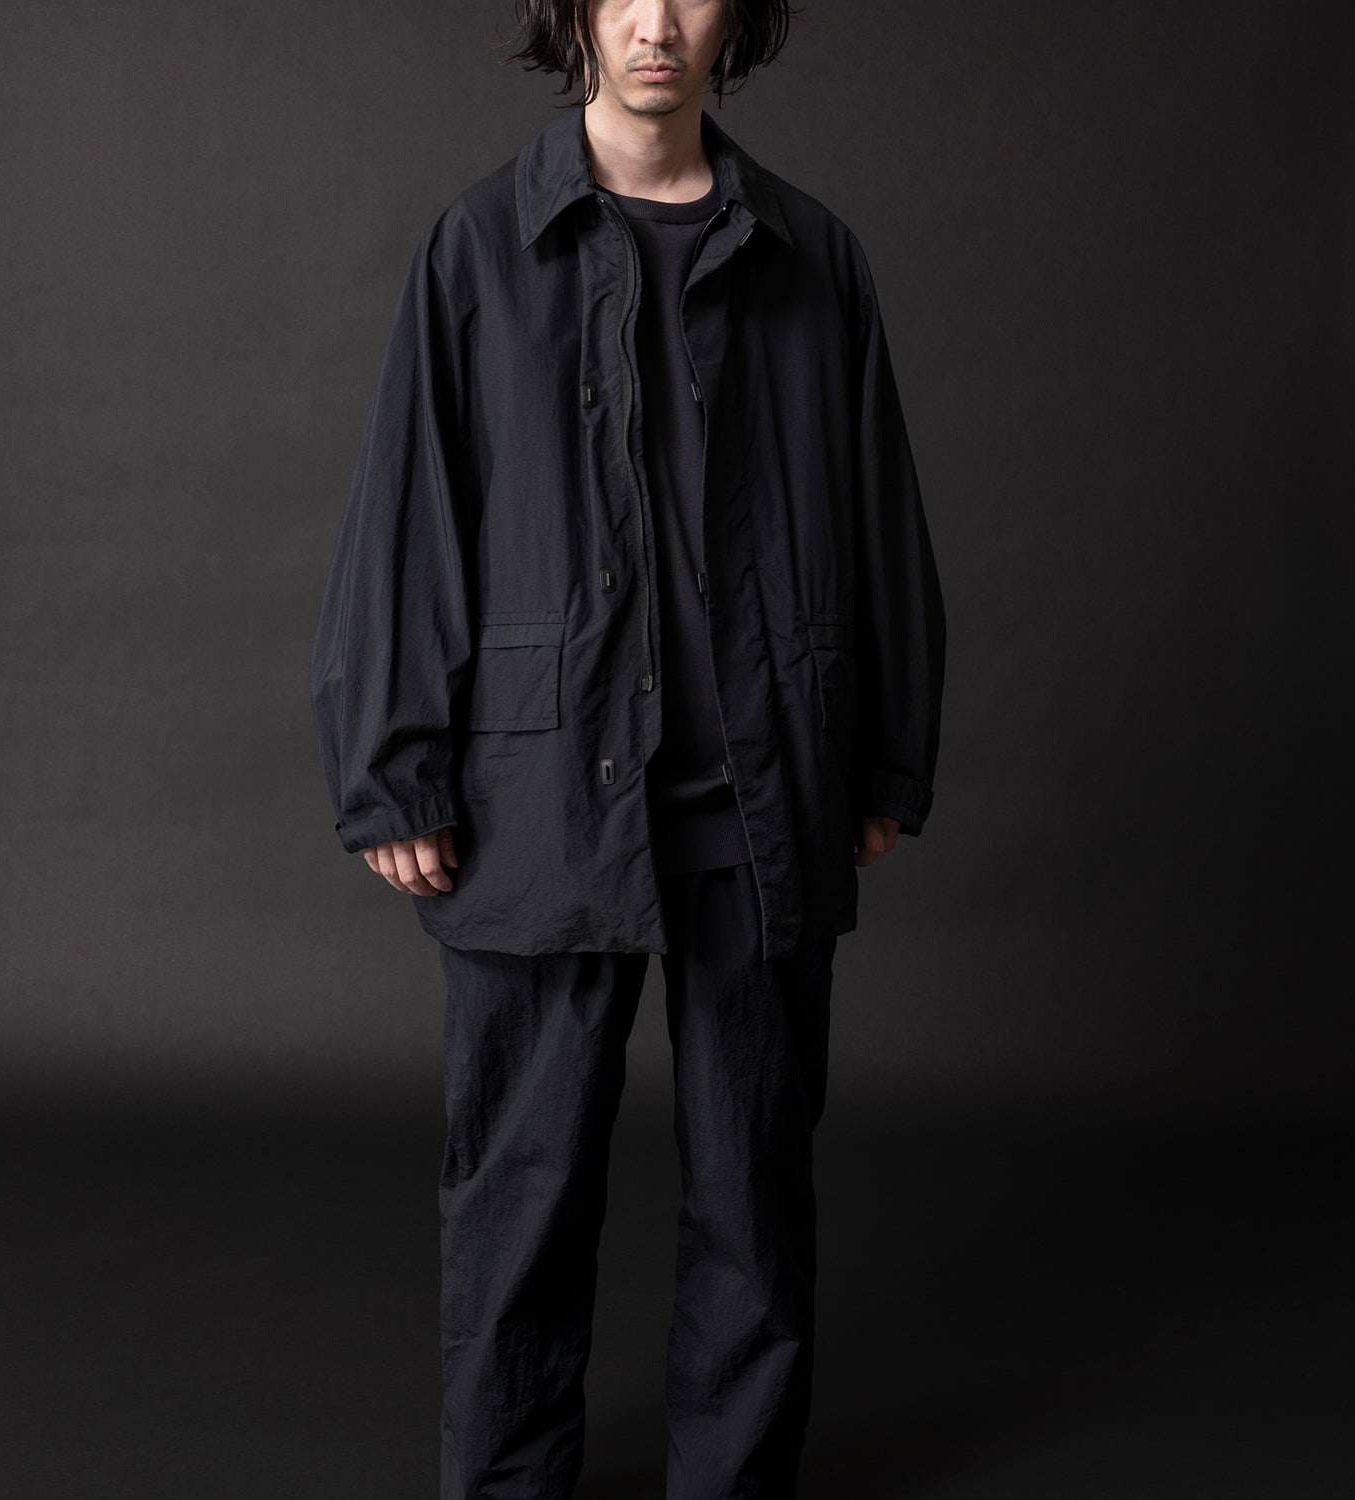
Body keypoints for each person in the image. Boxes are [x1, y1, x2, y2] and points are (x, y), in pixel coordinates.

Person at [309, 1, 946, 1494]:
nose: (656, 23)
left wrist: (882, 758)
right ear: (571, 13)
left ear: (742, 17)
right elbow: (409, 509)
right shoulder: (480, 248)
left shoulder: (812, 254)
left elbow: (878, 513)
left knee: (755, 1189)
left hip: (759, 792)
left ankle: (734, 1477)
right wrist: (395, 767)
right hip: (539, 789)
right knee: (520, 1191)